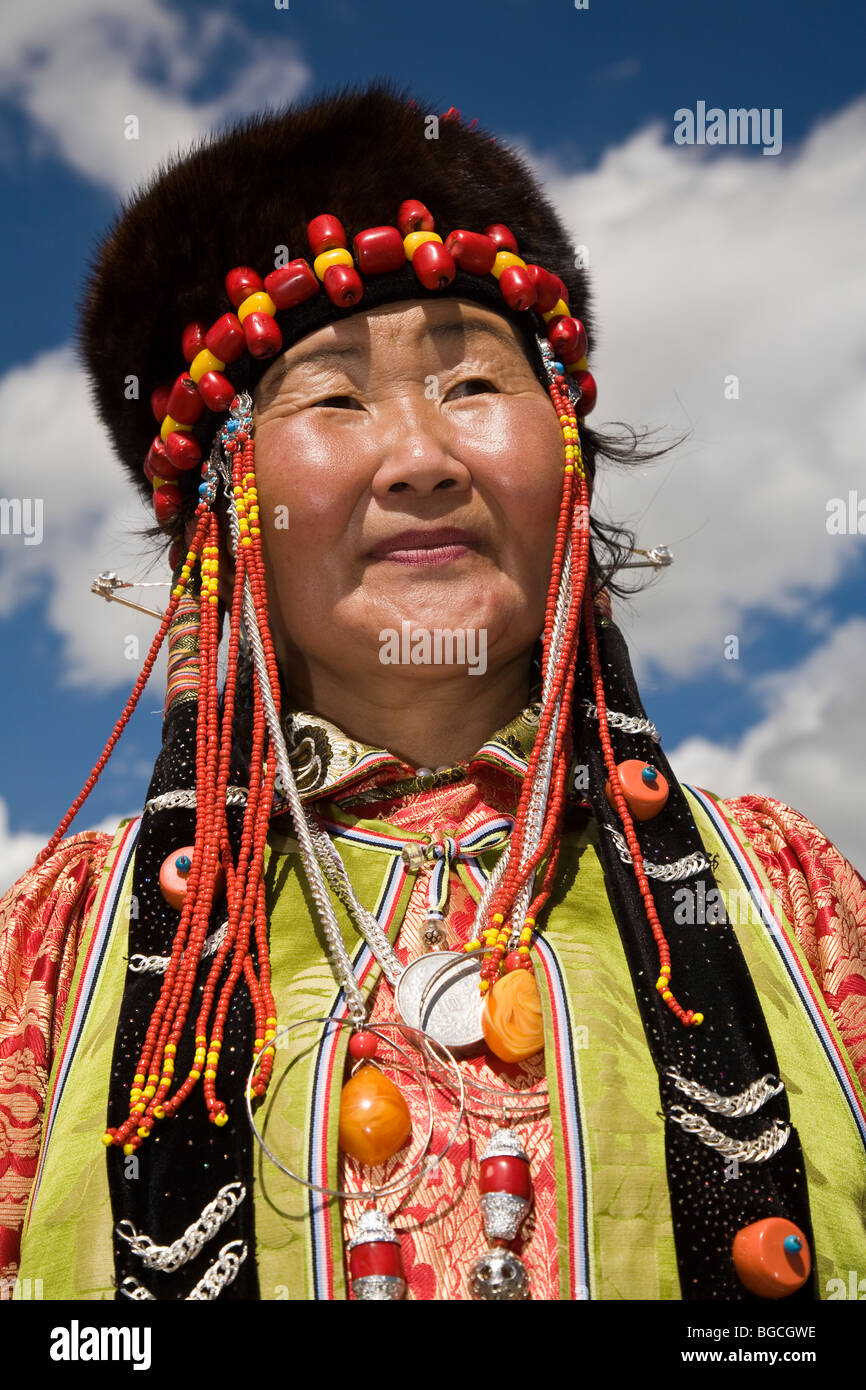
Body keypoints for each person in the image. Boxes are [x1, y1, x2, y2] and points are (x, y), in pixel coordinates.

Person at [1, 82, 865, 1304]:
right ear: (224, 507)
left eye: (471, 386)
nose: (421, 459)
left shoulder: (787, 894)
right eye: (333, 397)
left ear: (562, 452)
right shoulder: (58, 941)